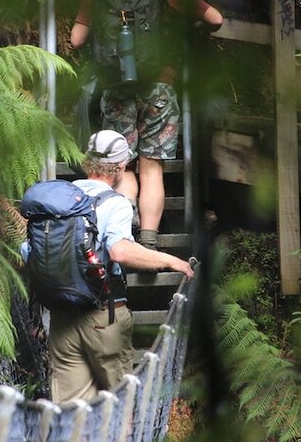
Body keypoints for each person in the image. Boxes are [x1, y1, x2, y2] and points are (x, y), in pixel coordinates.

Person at [24, 129, 194, 403]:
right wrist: (171, 261)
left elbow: (28, 250)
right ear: (120, 167)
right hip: (104, 316)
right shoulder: (117, 204)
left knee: (72, 414)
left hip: (61, 318)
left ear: (88, 162)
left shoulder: (61, 199)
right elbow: (119, 251)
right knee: (118, 409)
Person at [70, 0, 224, 250]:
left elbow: (76, 39)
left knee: (123, 164)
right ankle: (150, 241)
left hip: (115, 89)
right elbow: (216, 18)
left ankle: (124, 227)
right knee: (152, 167)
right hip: (159, 89)